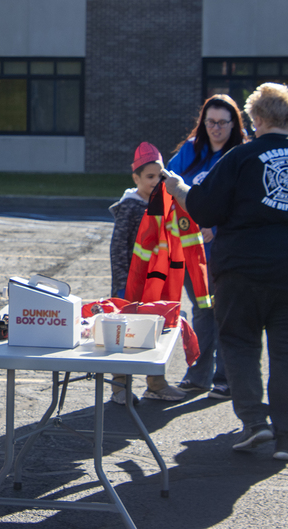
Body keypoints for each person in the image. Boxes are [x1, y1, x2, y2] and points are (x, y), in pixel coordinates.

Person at [163, 82, 288, 462]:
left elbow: (205, 209)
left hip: (244, 270)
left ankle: (254, 423)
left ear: (256, 119)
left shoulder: (239, 158)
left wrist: (179, 187)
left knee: (239, 344)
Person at [168, 95, 248, 399]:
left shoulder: (242, 153)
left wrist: (214, 225)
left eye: (222, 122)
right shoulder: (191, 150)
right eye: (210, 122)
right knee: (202, 312)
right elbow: (170, 183)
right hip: (192, 250)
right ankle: (198, 376)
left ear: (234, 123)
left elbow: (244, 200)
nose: (215, 128)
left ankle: (226, 378)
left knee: (227, 314)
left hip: (227, 251)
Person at [108, 142, 187, 404]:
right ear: (136, 178)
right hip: (131, 285)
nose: (155, 181)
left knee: (156, 333)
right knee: (126, 335)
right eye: (149, 176)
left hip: (159, 284)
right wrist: (121, 286)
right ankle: (119, 386)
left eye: (159, 176)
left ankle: (156, 383)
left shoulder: (166, 203)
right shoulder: (130, 207)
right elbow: (118, 249)